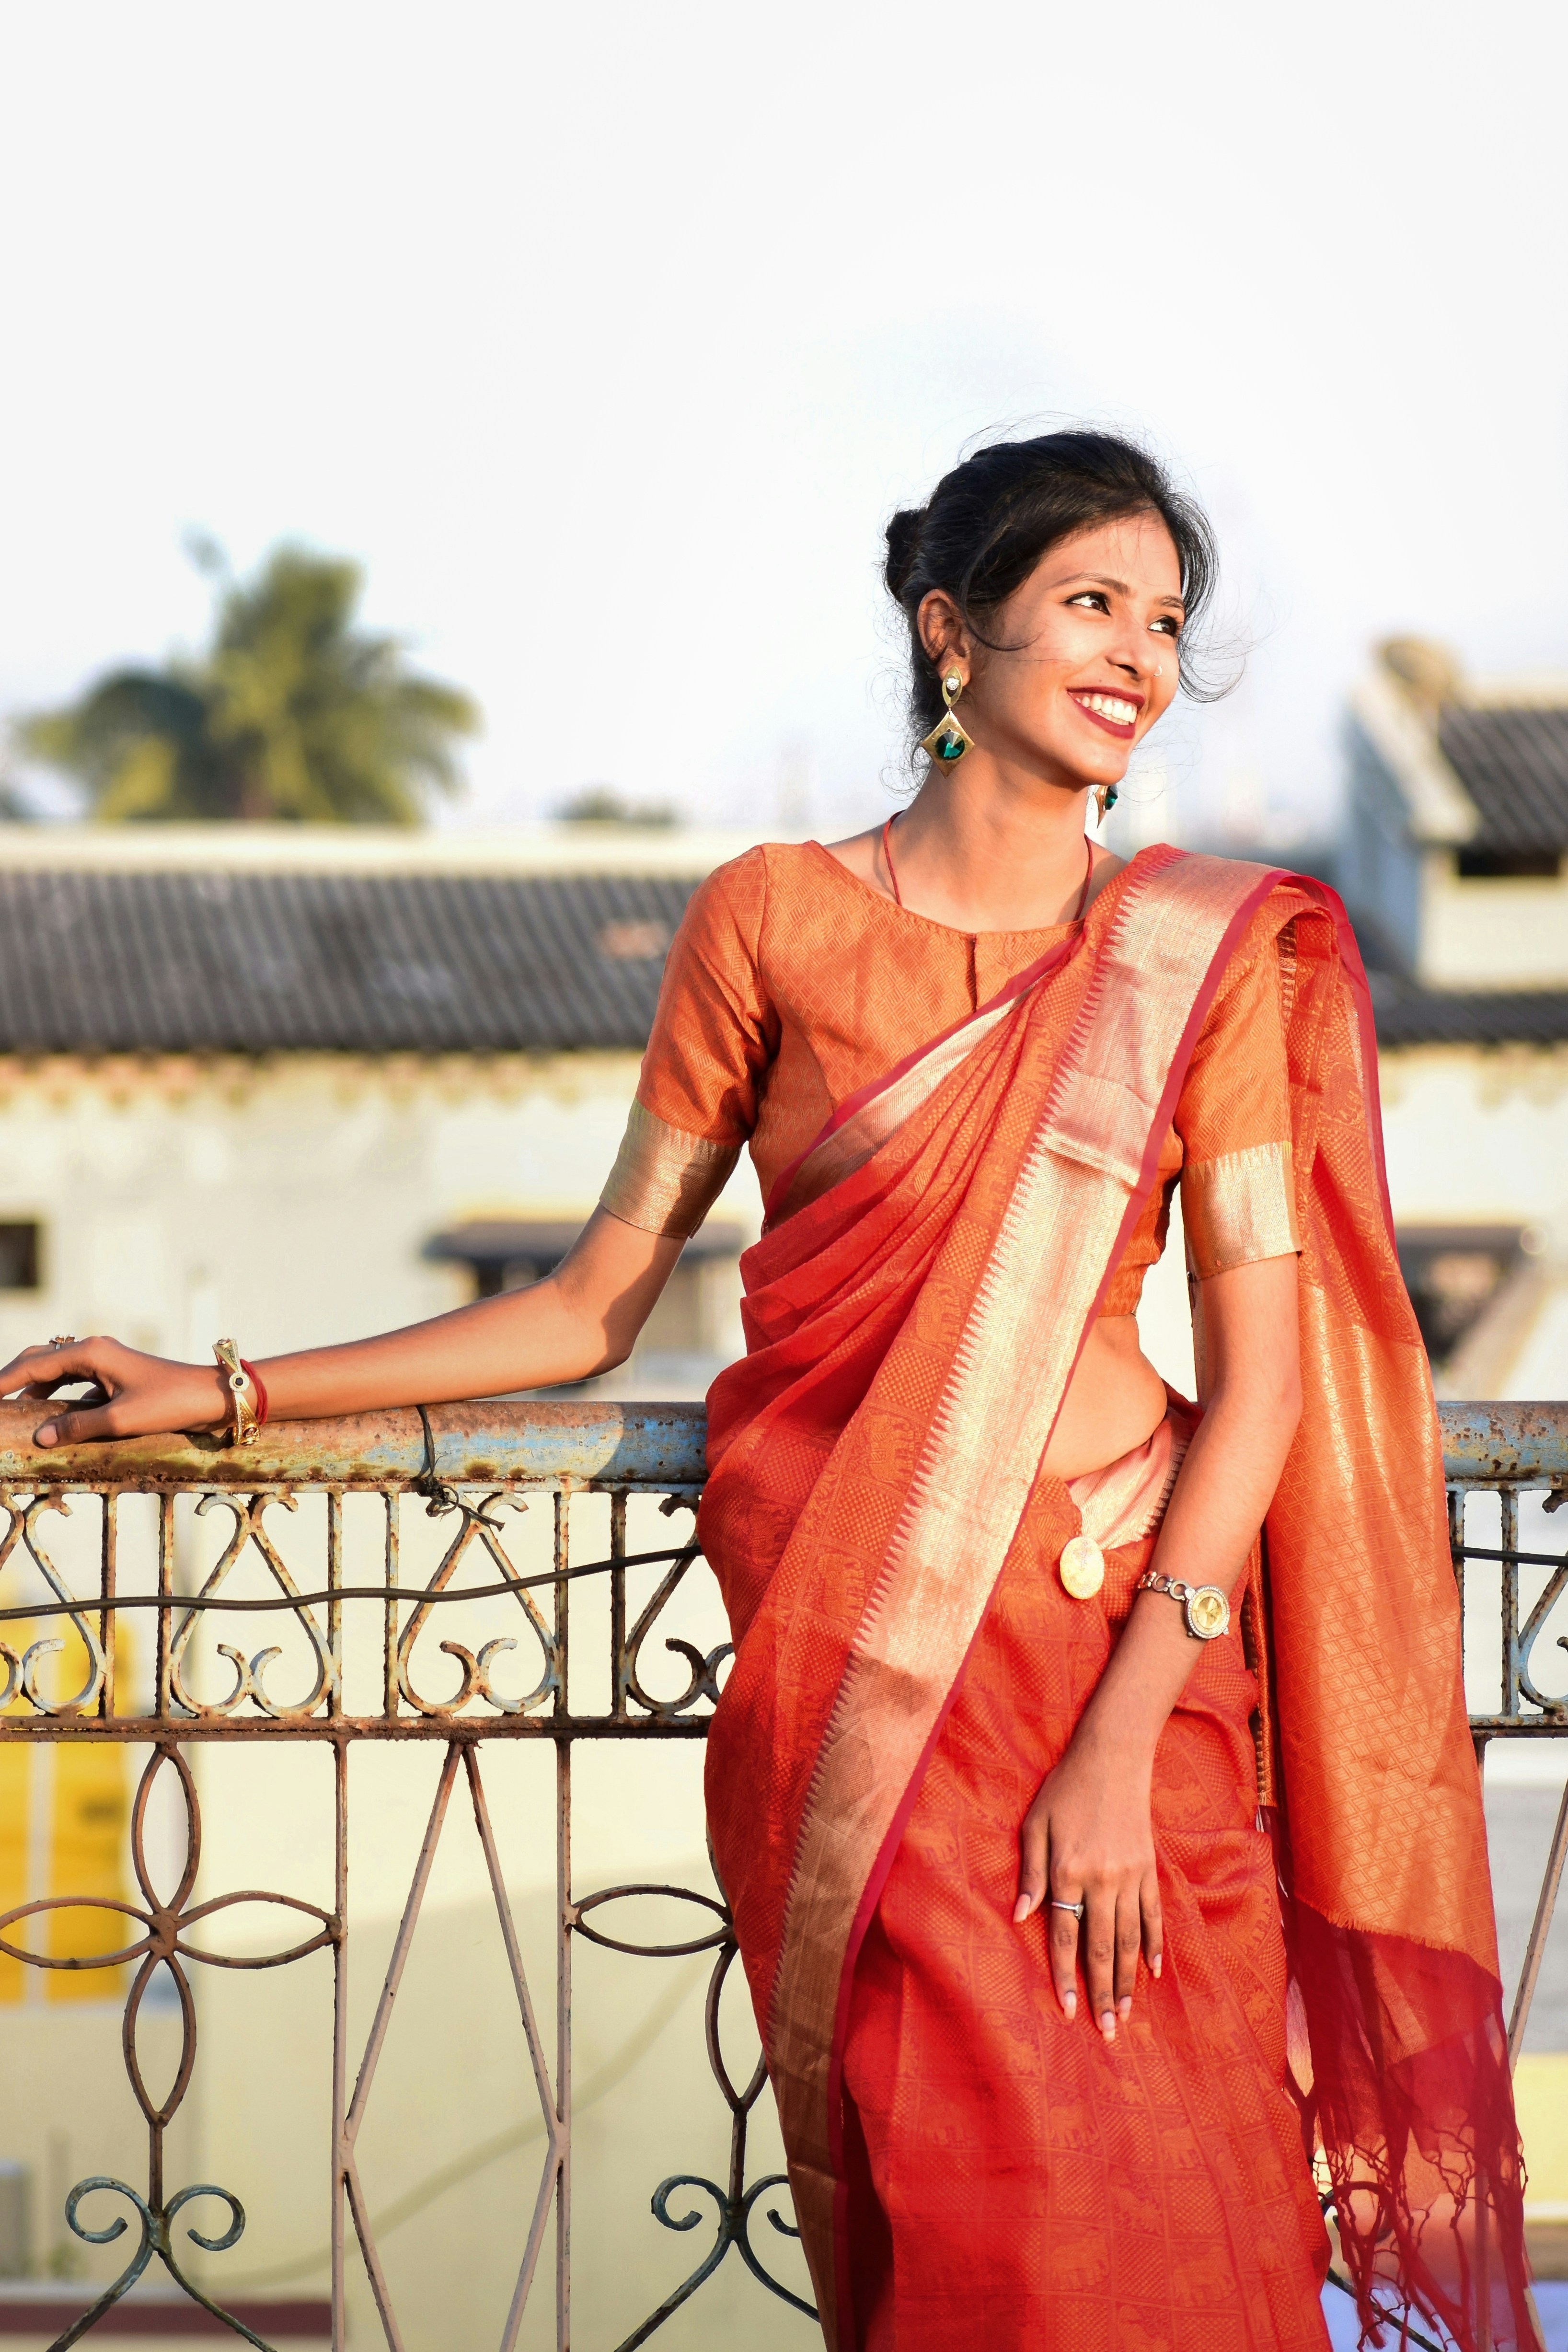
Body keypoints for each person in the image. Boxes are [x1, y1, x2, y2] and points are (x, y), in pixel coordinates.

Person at [2, 432, 1534, 2352]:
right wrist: (216, 1388)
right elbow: (583, 1304)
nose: (1139, 652)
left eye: (1164, 619)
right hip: (875, 1699)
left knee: (1191, 2221)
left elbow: (1260, 1391)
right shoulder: (770, 926)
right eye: (1089, 602)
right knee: (973, 2249)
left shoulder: (1198, 960)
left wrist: (1124, 1739)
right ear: (948, 633)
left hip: (1127, 1690)